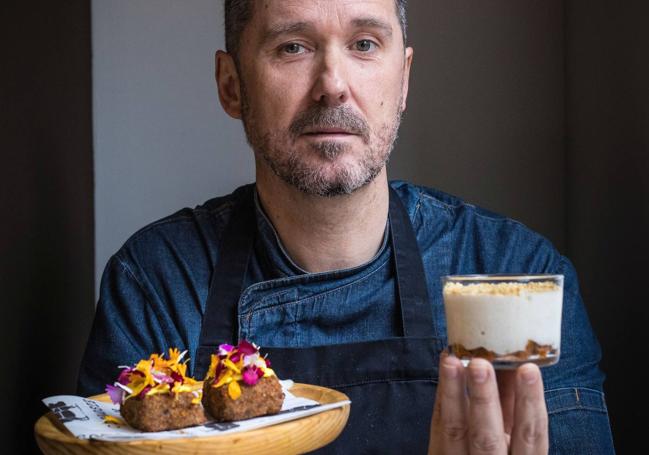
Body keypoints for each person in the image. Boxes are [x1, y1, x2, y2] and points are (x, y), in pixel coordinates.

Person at [78, 0, 615, 453]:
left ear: (403, 80)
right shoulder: (157, 283)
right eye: (293, 46)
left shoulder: (514, 278)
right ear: (231, 85)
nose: (332, 86)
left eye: (364, 44)